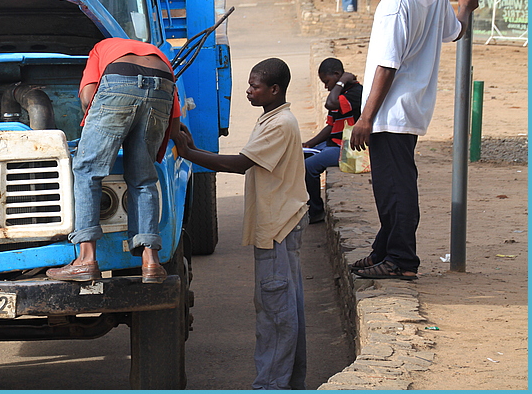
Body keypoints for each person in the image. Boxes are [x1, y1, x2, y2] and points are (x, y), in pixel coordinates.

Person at [348, 0, 479, 281]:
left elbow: (387, 66)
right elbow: (455, 31)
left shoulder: (397, 0)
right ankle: (383, 250)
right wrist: (465, 8)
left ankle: (402, 260)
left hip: (389, 111)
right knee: (394, 183)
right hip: (413, 106)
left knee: (395, 188)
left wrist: (365, 118)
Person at [173, 58, 308, 390]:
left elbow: (239, 164)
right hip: (280, 225)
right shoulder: (272, 119)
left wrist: (188, 153)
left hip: (277, 228)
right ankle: (288, 383)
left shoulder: (280, 124)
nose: (248, 91)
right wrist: (192, 148)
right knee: (286, 311)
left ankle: (270, 386)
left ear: (274, 90)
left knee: (276, 314)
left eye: (254, 86)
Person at [46, 37, 181, 284]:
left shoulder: (99, 48)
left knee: (88, 171)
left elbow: (89, 97)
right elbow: (173, 122)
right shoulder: (157, 55)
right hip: (163, 84)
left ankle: (85, 260)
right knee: (143, 179)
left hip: (118, 81)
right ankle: (151, 262)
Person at [301, 58, 362, 224]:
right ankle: (306, 205)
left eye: (327, 82)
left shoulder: (356, 92)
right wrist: (309, 144)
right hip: (333, 143)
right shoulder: (341, 93)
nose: (326, 87)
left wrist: (340, 83)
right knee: (301, 157)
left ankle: (316, 211)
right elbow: (331, 126)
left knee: (310, 167)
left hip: (348, 149)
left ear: (337, 75)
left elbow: (331, 103)